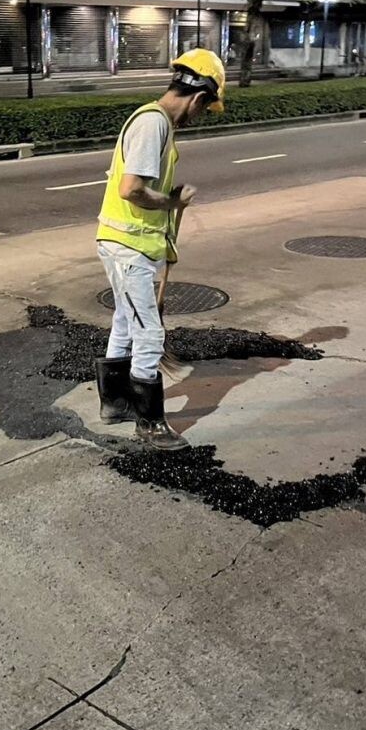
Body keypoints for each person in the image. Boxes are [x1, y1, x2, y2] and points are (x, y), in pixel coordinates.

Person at [93, 48, 226, 451]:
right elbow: (131, 190)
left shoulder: (152, 120)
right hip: (128, 245)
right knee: (149, 333)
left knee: (124, 321)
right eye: (204, 109)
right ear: (199, 97)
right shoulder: (155, 124)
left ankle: (114, 404)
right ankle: (150, 424)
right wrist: (172, 203)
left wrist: (167, 201)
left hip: (124, 242)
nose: (199, 117)